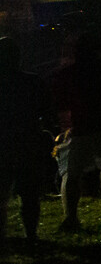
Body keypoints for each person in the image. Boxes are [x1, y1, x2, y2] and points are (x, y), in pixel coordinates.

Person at [52, 34, 101, 231]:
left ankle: (71, 217)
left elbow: (60, 103)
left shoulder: (67, 73)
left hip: (79, 128)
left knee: (72, 173)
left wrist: (64, 127)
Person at [0, 38, 54, 250]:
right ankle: (31, 235)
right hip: (27, 143)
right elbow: (47, 112)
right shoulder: (32, 81)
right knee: (30, 194)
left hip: (3, 145)